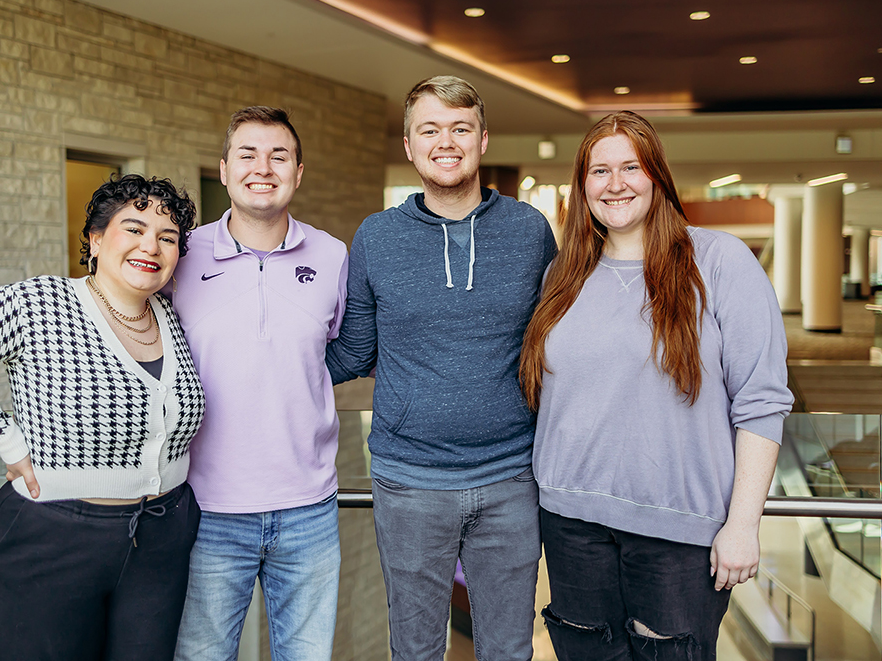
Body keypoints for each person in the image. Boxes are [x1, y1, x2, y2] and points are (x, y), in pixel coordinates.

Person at [0, 174, 205, 661]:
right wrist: (8, 443)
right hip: (55, 539)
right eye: (134, 229)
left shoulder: (169, 315)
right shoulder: (42, 303)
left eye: (167, 238)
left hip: (162, 538)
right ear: (96, 240)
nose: (152, 246)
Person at [519, 111, 793, 660]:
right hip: (571, 525)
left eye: (631, 167)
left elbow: (761, 403)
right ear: (583, 185)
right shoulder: (562, 275)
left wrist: (743, 524)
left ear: (658, 177)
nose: (614, 183)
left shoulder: (718, 261)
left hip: (679, 534)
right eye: (599, 170)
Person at [326, 75, 557, 661]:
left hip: (512, 476)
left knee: (509, 650)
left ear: (483, 139)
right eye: (430, 129)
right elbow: (352, 350)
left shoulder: (530, 232)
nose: (446, 141)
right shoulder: (376, 238)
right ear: (409, 145)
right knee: (415, 650)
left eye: (460, 127)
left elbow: (558, 345)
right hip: (409, 483)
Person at [172, 106, 348, 661]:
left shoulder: (333, 255)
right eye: (247, 154)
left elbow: (337, 353)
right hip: (205, 509)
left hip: (309, 511)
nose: (262, 167)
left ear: (299, 172)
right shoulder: (179, 254)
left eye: (279, 155)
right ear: (223, 170)